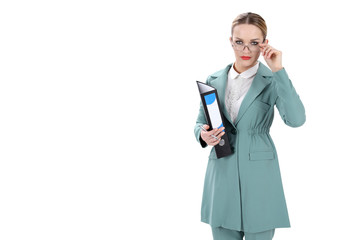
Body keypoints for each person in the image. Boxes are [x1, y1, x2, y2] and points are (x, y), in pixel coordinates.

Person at [194, 12, 306, 240]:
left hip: (260, 177)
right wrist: (203, 135)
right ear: (230, 41)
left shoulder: (273, 79)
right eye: (239, 42)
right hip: (221, 173)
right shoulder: (214, 79)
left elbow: (296, 120)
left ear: (265, 43)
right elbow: (199, 123)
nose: (246, 50)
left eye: (254, 43)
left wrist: (279, 71)